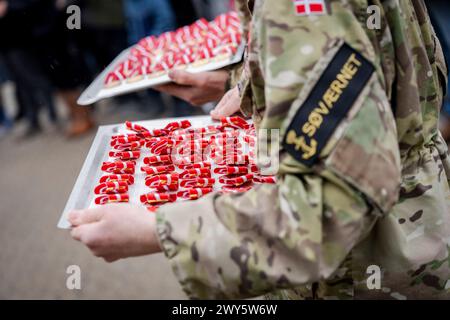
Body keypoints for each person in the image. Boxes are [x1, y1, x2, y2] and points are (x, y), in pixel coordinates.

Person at [69, 0, 450, 300]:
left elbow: (326, 212)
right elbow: (383, 72)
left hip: (368, 266)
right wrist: (246, 84)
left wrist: (158, 231)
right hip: (408, 228)